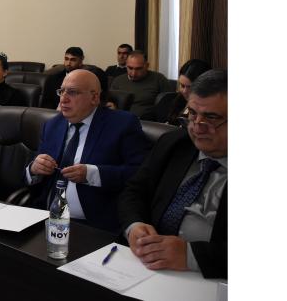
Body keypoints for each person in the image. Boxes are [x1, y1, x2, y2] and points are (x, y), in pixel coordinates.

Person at [119, 69, 227, 278]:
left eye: (211, 117)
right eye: (192, 114)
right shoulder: (174, 143)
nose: (197, 127)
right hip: (147, 267)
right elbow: (133, 191)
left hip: (213, 279)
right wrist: (134, 225)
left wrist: (192, 256)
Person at [24, 69, 148, 232]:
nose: (63, 99)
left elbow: (139, 173)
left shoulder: (123, 124)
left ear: (94, 97)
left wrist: (92, 174)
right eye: (62, 91)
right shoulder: (52, 125)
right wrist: (34, 169)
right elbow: (32, 170)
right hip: (46, 217)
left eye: (72, 92)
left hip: (94, 225)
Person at [109, 50, 169, 120]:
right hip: (121, 119)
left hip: (147, 122)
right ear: (126, 65)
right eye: (130, 68)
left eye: (138, 69)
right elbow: (110, 103)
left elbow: (168, 105)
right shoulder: (118, 81)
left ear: (147, 66)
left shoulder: (159, 79)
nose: (133, 73)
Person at [163, 59, 212, 126]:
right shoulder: (178, 99)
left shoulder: (209, 107)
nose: (185, 91)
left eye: (190, 87)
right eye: (182, 86)